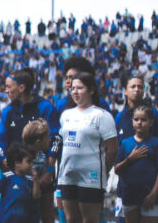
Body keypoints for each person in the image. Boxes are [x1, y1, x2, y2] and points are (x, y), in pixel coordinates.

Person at [57, 72, 118, 223]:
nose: (75, 92)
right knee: (71, 219)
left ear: (91, 90)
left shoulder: (102, 116)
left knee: (90, 220)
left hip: (90, 178)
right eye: (72, 88)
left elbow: (113, 148)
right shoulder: (66, 115)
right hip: (67, 176)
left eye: (80, 88)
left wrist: (102, 170)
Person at [0, 68, 55, 170]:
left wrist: (50, 169)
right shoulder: (7, 111)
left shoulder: (45, 107)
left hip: (40, 174)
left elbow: (55, 139)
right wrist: (4, 161)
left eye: (8, 87)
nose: (6, 90)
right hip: (15, 173)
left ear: (21, 88)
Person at [114, 106, 158, 223]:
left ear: (151, 122)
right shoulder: (125, 143)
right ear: (132, 121)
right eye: (136, 119)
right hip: (129, 195)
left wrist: (153, 194)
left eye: (143, 120)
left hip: (150, 195)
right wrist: (130, 159)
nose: (139, 122)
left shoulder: (157, 143)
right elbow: (117, 169)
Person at [114, 73, 158, 172]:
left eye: (140, 87)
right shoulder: (119, 118)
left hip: (152, 183)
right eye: (133, 86)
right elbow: (116, 157)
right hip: (127, 184)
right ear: (125, 91)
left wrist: (153, 177)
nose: (137, 89)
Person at [0, 143, 40, 223]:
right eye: (28, 162)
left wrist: (36, 180)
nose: (32, 165)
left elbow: (35, 196)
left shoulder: (30, 181)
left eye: (32, 162)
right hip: (7, 220)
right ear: (17, 163)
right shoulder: (8, 177)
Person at [21, 119, 56, 223]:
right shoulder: (23, 158)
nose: (49, 140)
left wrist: (48, 174)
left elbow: (50, 168)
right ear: (38, 142)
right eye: (47, 138)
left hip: (44, 190)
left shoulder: (43, 155)